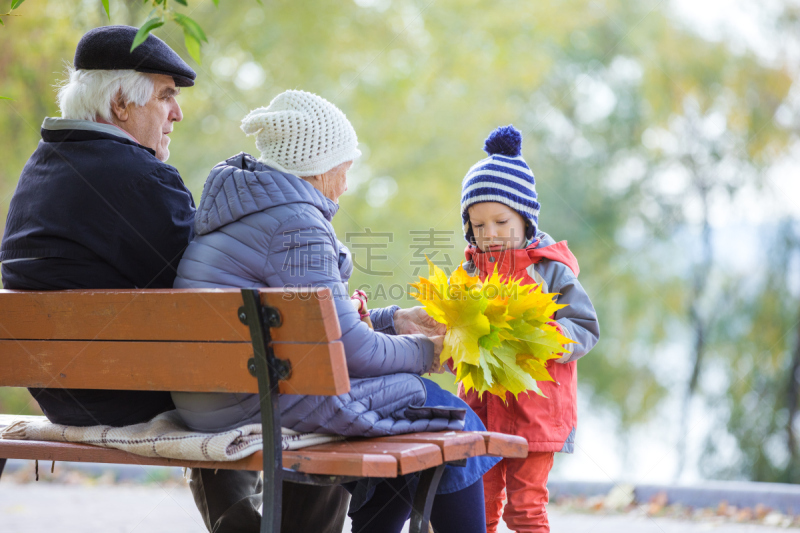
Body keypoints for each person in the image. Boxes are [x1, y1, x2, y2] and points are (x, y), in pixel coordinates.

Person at [0, 26, 342, 533]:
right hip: (127, 392)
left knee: (220, 367)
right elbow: (214, 291)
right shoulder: (140, 178)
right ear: (120, 103)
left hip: (63, 388)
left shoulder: (41, 170)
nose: (177, 113)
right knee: (304, 389)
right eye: (166, 96)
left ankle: (239, 523)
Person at [171, 89, 499, 533]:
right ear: (319, 167)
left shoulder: (241, 209)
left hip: (212, 396)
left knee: (412, 425)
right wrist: (429, 352)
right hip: (255, 403)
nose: (346, 183)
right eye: (345, 168)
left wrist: (395, 321)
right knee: (453, 420)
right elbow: (348, 350)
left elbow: (312, 328)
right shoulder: (296, 224)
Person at [458, 125, 601, 532]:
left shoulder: (549, 270)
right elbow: (455, 343)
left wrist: (543, 342)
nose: (490, 235)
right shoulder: (468, 274)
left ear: (525, 218)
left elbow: (584, 326)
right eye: (478, 226)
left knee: (523, 511)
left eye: (501, 221)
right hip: (481, 411)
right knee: (477, 509)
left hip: (535, 412)